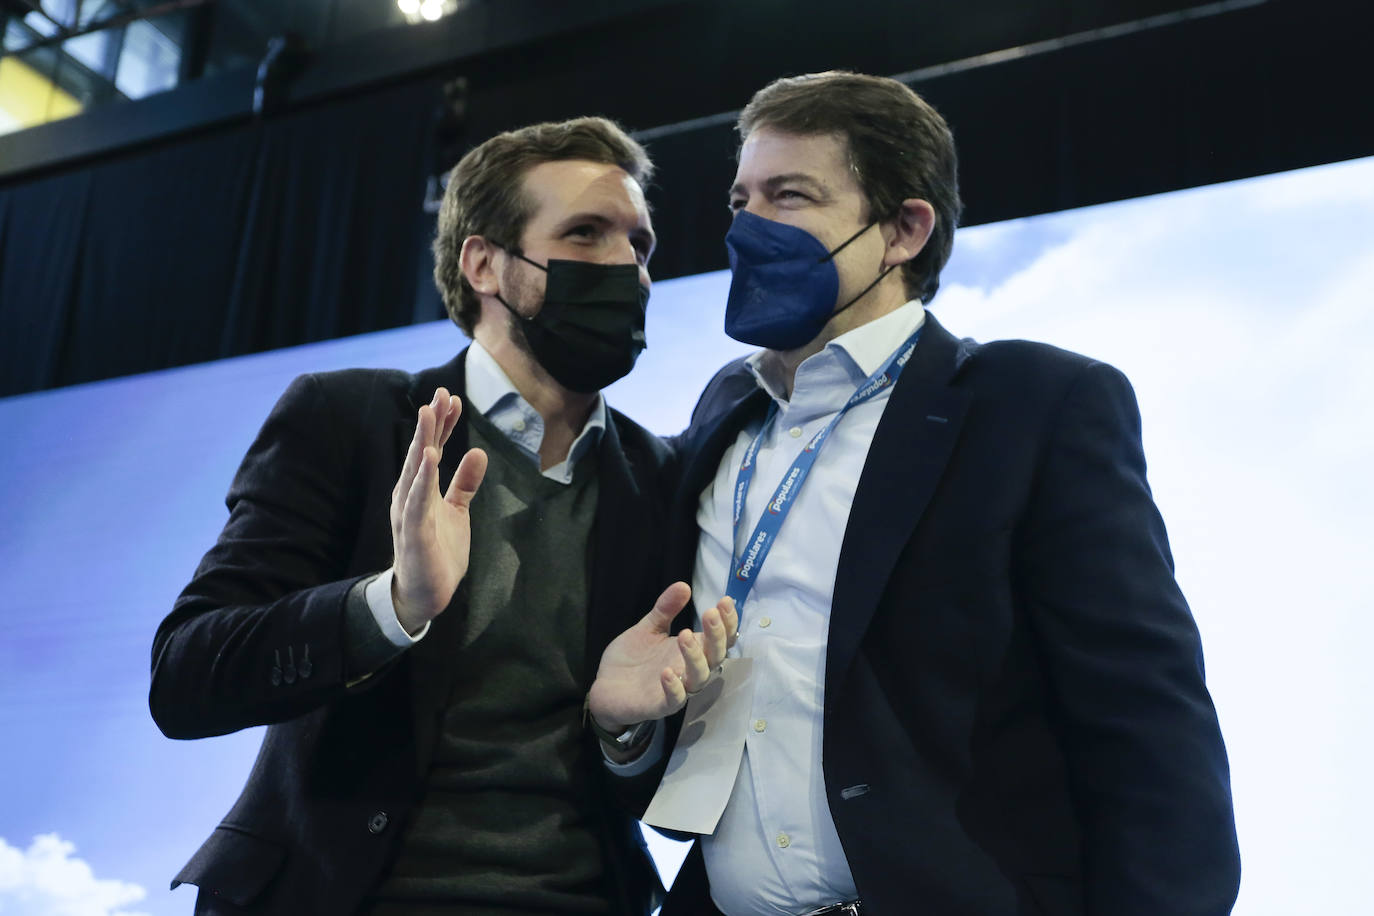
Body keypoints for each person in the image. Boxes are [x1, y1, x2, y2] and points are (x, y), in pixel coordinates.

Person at [587, 72, 1241, 916]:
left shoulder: (1033, 404)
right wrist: (628, 732)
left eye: (789, 196)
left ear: (903, 229)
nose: (747, 228)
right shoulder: (724, 415)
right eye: (740, 198)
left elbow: (1148, 731)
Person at [150, 116, 674, 915]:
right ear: (484, 264)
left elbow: (660, 783)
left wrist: (628, 734)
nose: (627, 268)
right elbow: (186, 677)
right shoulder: (350, 419)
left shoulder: (660, 476)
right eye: (585, 234)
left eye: (639, 245)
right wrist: (389, 608)